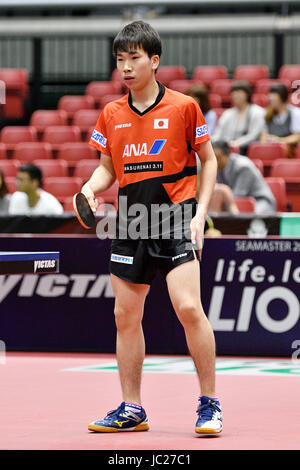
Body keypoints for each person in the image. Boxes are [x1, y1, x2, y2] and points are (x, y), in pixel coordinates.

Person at [83, 20, 222, 435]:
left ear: (154, 61)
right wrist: (90, 189)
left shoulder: (183, 107)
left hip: (175, 217)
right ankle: (132, 408)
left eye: (134, 59)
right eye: (120, 60)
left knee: (188, 308)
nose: (125, 67)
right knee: (125, 315)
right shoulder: (111, 113)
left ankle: (210, 403)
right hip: (130, 221)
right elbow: (107, 169)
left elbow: (209, 160)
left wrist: (199, 214)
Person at [209, 140, 276, 214]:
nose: (216, 162)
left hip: (260, 201)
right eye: (213, 158)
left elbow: (239, 194)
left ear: (228, 154)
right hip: (238, 202)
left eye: (218, 158)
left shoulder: (243, 166)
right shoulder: (217, 167)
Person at [212, 80, 265, 154]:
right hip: (225, 150)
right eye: (233, 93)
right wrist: (214, 143)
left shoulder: (257, 112)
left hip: (246, 150)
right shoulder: (227, 113)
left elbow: (254, 135)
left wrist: (236, 143)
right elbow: (218, 133)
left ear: (247, 94)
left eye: (238, 92)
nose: (235, 95)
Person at [259, 83, 300, 157]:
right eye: (270, 95)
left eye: (274, 95)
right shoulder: (267, 113)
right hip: (270, 151)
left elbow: (297, 136)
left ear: (282, 97)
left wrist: (279, 140)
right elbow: (263, 135)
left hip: (288, 153)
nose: (270, 98)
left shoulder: (295, 112)